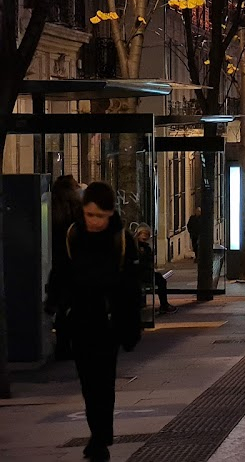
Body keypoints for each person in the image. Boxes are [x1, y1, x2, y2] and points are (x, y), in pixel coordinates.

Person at [45, 181, 142, 462]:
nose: (95, 221)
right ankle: (98, 433)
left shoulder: (122, 240)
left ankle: (100, 437)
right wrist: (55, 303)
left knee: (104, 381)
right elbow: (61, 272)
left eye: (101, 216)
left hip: (108, 322)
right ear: (83, 211)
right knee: (88, 382)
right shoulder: (73, 235)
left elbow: (131, 288)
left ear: (111, 214)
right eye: (90, 214)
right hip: (80, 319)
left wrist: (131, 326)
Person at [49, 175, 84, 360]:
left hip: (57, 265)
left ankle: (62, 346)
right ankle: (70, 344)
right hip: (74, 265)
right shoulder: (76, 211)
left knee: (63, 307)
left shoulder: (53, 209)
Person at [133, 224, 177, 315]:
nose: (145, 236)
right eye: (143, 233)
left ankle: (164, 305)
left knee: (160, 279)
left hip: (143, 272)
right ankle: (164, 305)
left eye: (147, 234)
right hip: (140, 272)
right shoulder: (137, 247)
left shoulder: (145, 247)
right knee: (160, 280)